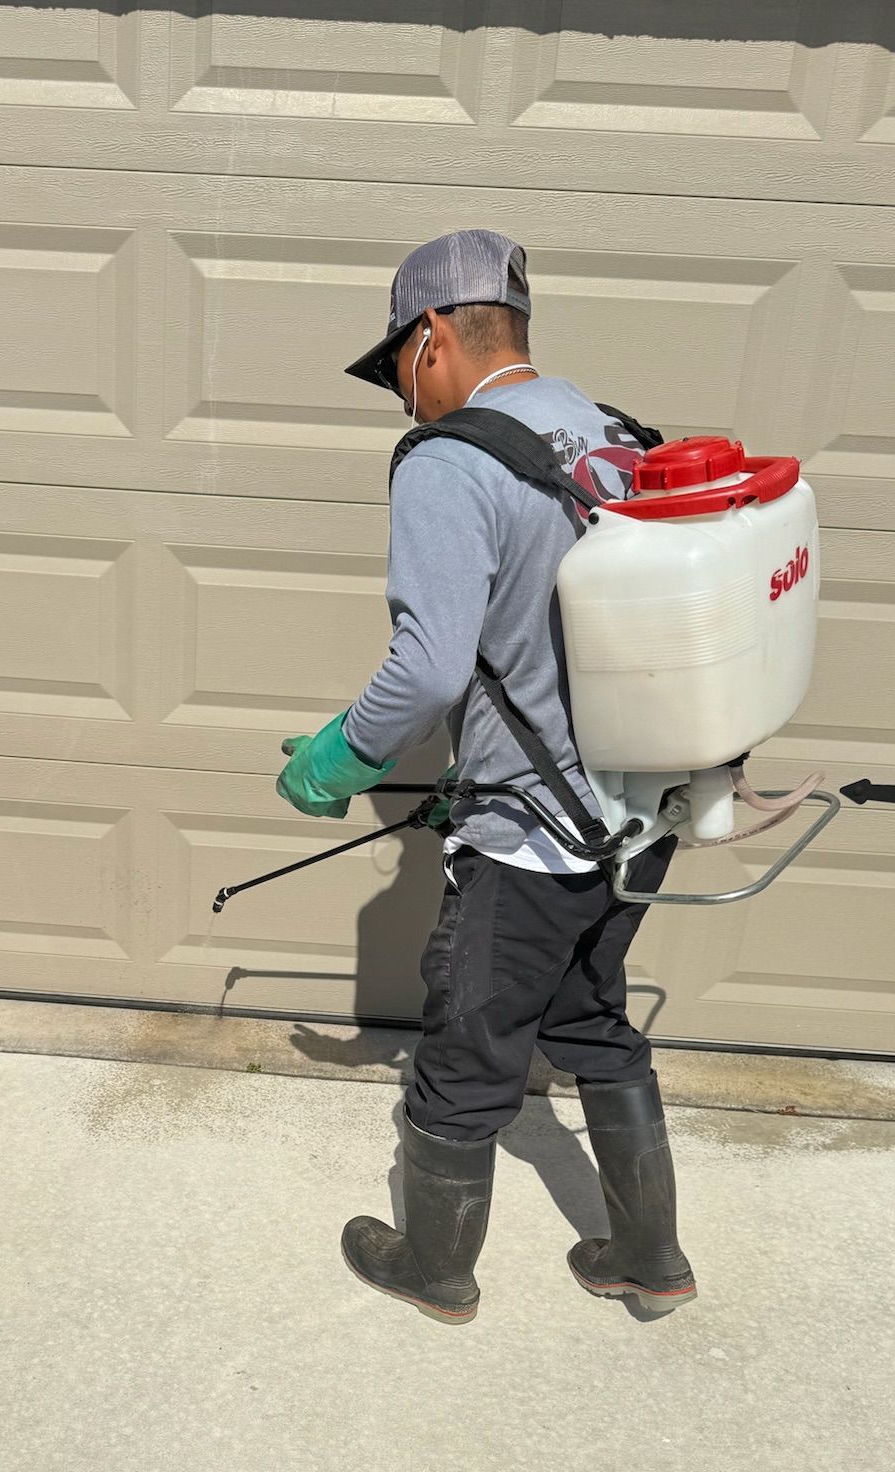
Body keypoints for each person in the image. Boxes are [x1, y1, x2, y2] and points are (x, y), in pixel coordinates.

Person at [276, 228, 695, 1323]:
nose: (403, 403)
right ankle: (650, 1259)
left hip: (527, 837)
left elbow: (428, 667)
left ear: (429, 339)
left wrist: (338, 756)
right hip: (638, 814)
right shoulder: (609, 433)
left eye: (398, 376)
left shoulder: (452, 460)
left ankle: (434, 1267)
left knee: (464, 1052)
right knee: (592, 1017)